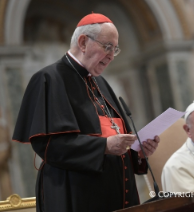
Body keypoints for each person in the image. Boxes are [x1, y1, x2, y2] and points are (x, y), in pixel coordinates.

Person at [12, 13, 160, 212]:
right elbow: (48, 145)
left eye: (115, 49)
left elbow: (115, 137)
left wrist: (138, 152)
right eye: (107, 47)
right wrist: (104, 146)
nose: (111, 56)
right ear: (83, 42)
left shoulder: (101, 83)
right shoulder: (49, 79)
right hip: (75, 195)